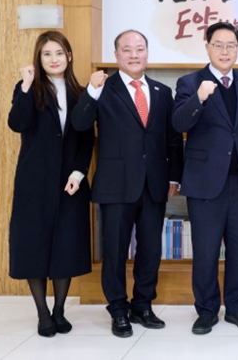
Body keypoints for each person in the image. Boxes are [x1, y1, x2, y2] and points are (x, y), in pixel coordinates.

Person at [71, 30, 183, 338]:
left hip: (154, 184)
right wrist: (90, 92)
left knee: (150, 250)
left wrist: (174, 176)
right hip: (115, 185)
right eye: (127, 50)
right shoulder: (102, 89)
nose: (134, 55)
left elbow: (173, 139)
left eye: (140, 49)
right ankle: (118, 310)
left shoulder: (162, 92)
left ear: (147, 53)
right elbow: (79, 124)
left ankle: (142, 305)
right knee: (115, 251)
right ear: (117, 55)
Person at [173, 22, 238, 334]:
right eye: (218, 45)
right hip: (204, 182)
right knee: (205, 250)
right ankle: (206, 310)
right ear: (207, 47)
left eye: (231, 45)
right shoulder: (190, 83)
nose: (225, 51)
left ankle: (237, 308)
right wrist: (198, 99)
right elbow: (178, 124)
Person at [8, 31, 95, 337]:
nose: (54, 59)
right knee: (34, 245)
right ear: (38, 58)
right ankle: (43, 314)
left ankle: (59, 310)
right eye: (47, 54)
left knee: (65, 246)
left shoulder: (81, 93)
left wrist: (79, 173)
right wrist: (25, 86)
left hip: (70, 183)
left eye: (59, 53)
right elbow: (17, 124)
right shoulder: (28, 89)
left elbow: (87, 139)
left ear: (69, 56)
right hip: (34, 183)